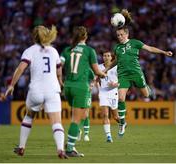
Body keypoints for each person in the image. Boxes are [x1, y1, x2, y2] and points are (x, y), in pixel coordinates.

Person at [105, 9, 173, 137]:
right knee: (120, 97)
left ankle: (149, 87)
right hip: (123, 75)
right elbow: (116, 62)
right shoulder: (117, 48)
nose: (119, 37)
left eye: (121, 35)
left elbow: (150, 49)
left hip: (136, 72)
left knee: (146, 95)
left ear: (126, 34)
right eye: (117, 35)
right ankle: (122, 123)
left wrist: (164, 52)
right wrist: (106, 69)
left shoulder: (135, 43)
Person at [4, 25, 68, 159]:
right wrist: (60, 81)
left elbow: (20, 68)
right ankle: (61, 149)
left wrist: (12, 85)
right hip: (52, 90)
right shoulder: (54, 51)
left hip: (36, 91)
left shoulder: (29, 51)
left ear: (34, 36)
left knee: (29, 116)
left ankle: (21, 147)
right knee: (56, 122)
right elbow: (59, 70)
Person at [60, 26, 106, 157]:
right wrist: (103, 74)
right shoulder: (89, 51)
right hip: (80, 87)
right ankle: (70, 148)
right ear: (86, 37)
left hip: (67, 87)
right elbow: (97, 71)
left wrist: (59, 80)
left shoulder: (67, 50)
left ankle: (72, 139)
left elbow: (59, 65)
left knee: (79, 116)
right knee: (77, 119)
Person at [97, 51, 119, 142]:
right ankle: (109, 136)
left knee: (116, 117)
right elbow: (96, 78)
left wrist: (115, 85)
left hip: (113, 92)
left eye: (108, 56)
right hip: (103, 92)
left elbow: (122, 81)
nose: (106, 57)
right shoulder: (99, 67)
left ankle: (122, 123)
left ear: (111, 58)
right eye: (104, 55)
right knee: (105, 114)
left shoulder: (116, 67)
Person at [77, 69, 95, 142]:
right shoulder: (74, 68)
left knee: (86, 113)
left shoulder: (88, 69)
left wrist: (91, 85)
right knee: (77, 113)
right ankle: (78, 131)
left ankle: (85, 134)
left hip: (87, 92)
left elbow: (93, 79)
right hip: (77, 92)